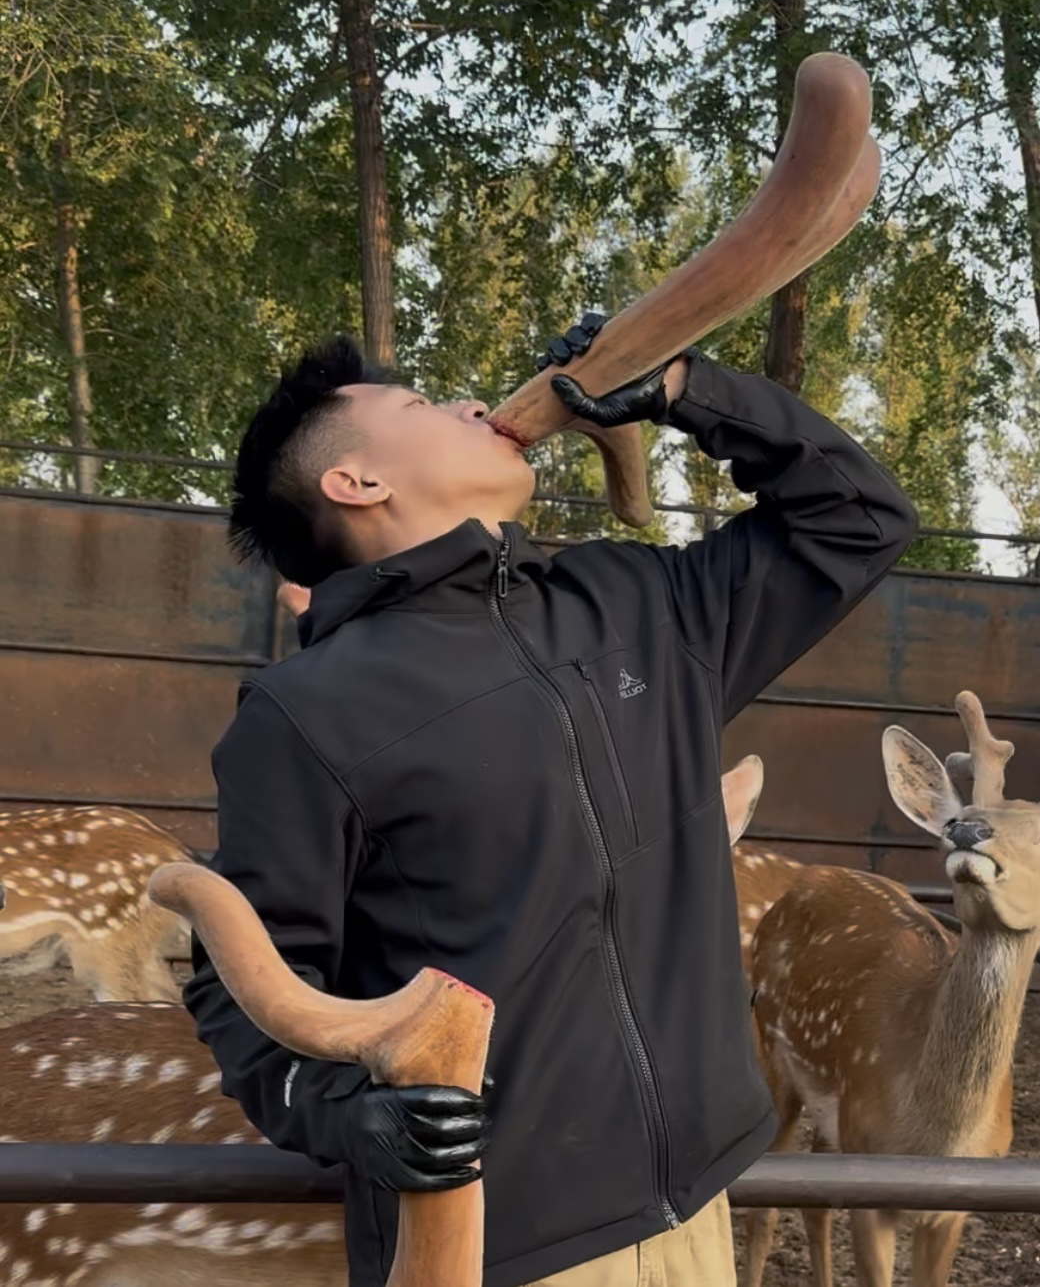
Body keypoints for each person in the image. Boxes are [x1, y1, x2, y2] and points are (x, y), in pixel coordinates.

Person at [184, 313, 917, 1287]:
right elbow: (243, 984)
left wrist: (685, 389)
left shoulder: (637, 603)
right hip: (500, 1244)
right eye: (422, 404)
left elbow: (861, 519)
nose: (471, 403)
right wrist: (344, 1116)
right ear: (357, 482)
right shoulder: (304, 714)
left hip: (700, 1204)